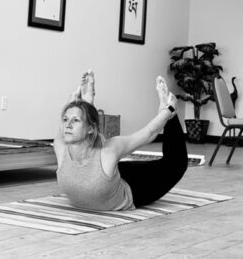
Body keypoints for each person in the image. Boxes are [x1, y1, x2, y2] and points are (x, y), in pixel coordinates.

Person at [54, 71, 188, 211]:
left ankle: (169, 113)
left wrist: (169, 110)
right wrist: (85, 97)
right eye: (65, 119)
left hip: (132, 187)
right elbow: (81, 123)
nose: (68, 125)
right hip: (107, 175)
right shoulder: (60, 147)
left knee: (175, 164)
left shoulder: (109, 151)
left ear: (90, 129)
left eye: (75, 120)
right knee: (115, 167)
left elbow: (149, 133)